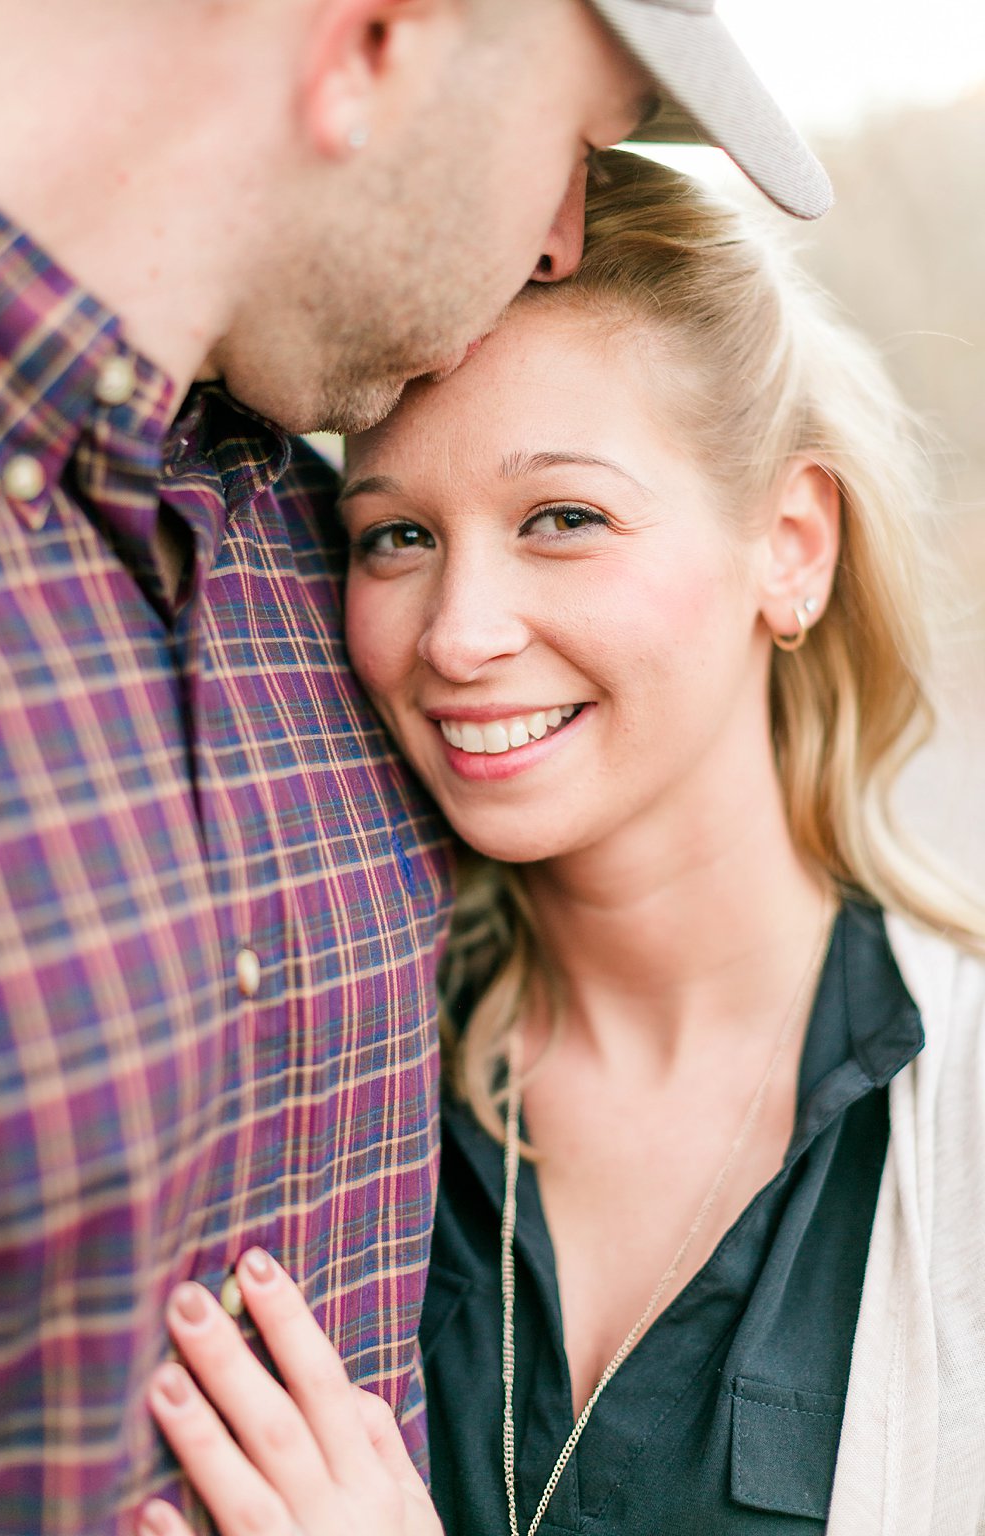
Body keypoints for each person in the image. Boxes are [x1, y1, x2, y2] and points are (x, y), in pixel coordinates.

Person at [0, 0, 830, 1527]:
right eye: (577, 132)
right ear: (376, 39)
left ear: (792, 547)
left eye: (564, 516)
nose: (562, 235)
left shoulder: (281, 530)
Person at [142, 151, 985, 1536]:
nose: (460, 632)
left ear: (790, 545)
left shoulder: (956, 1123)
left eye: (564, 520)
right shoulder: (346, 1068)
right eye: (397, 534)